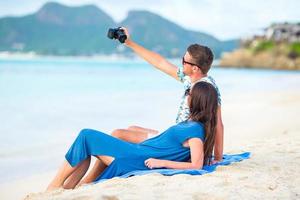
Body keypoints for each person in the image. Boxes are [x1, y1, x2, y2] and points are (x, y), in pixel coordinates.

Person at [79, 27, 224, 185]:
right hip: (176, 135)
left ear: (195, 68)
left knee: (118, 134)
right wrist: (130, 43)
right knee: (132, 127)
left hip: (178, 144)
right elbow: (160, 62)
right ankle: (105, 169)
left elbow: (218, 124)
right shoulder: (192, 78)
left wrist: (217, 157)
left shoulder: (206, 89)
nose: (181, 62)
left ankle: (91, 179)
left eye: (184, 60)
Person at [46, 81, 218, 191]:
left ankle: (54, 187)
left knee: (86, 136)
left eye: (189, 91)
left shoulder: (195, 130)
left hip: (135, 158)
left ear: (197, 99)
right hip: (137, 151)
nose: (186, 94)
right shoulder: (191, 124)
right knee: (88, 142)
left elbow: (197, 165)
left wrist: (162, 163)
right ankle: (67, 188)